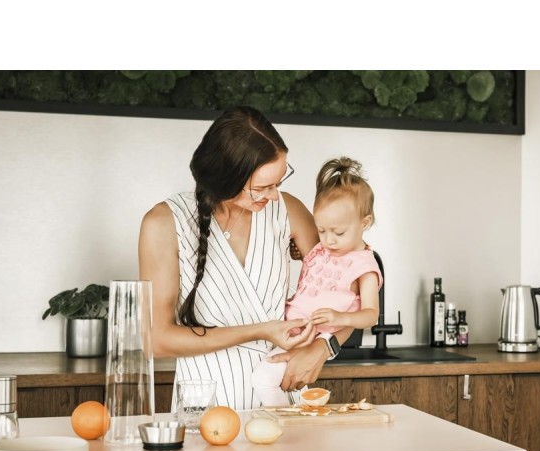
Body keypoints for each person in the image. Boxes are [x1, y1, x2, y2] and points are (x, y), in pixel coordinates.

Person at [138, 107, 350, 409]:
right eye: (261, 188)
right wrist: (260, 330)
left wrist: (323, 348)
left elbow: (354, 295)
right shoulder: (164, 223)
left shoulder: (288, 212)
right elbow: (157, 341)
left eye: (278, 183)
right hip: (203, 409)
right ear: (225, 180)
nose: (274, 196)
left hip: (282, 401)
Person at [250, 157, 382, 407]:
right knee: (271, 382)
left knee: (263, 379)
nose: (328, 240)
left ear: (365, 223)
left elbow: (370, 315)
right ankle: (289, 417)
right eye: (322, 230)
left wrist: (340, 318)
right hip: (291, 330)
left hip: (312, 336)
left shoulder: (365, 266)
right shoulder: (323, 249)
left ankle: (284, 421)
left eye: (338, 232)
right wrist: (297, 252)